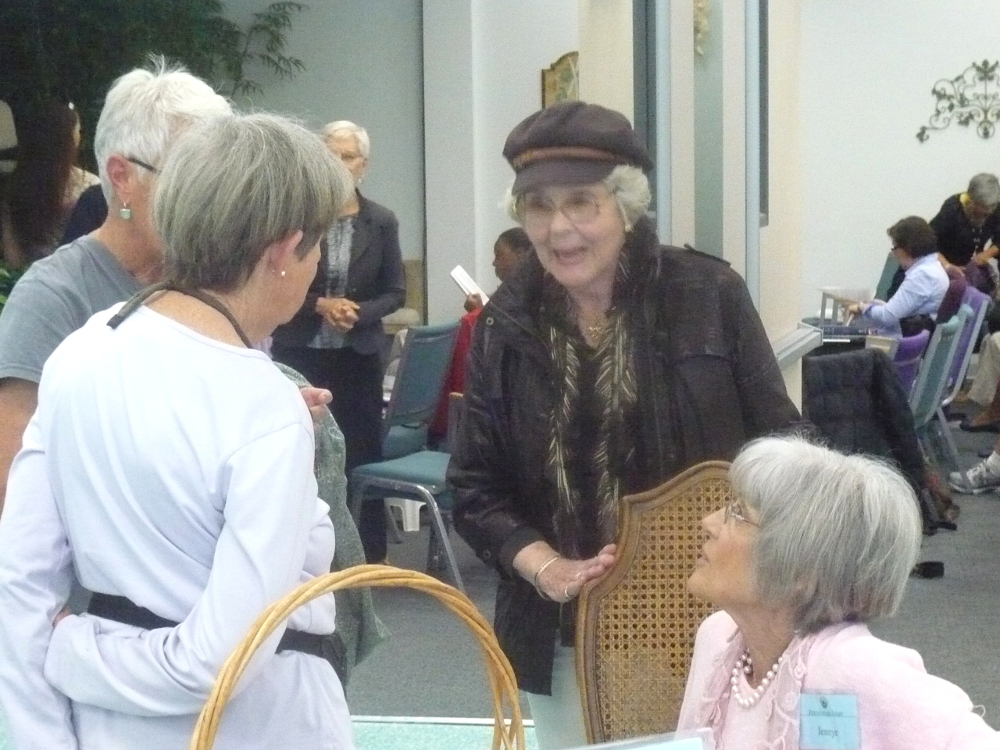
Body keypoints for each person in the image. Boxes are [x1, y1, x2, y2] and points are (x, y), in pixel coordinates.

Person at [448, 101, 801, 750]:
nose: (559, 229)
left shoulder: (707, 295)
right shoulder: (505, 323)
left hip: (712, 620)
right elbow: (474, 487)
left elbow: (783, 452)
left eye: (581, 203)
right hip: (561, 631)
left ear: (626, 206)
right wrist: (545, 566)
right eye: (538, 206)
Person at [0, 112, 357, 749]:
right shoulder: (263, 406)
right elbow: (218, 666)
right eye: (320, 242)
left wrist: (46, 730)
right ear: (283, 249)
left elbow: (21, 584)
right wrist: (73, 652)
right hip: (257, 728)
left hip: (104, 729)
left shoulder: (83, 351)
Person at [0, 60, 233, 516]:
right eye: (192, 179)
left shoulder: (210, 280)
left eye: (220, 181)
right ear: (123, 177)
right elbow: (12, 480)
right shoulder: (54, 297)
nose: (213, 201)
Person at [677, 435, 999, 749]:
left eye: (738, 515)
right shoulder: (718, 636)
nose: (709, 522)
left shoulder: (853, 667)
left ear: (801, 569)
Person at [271, 119, 405, 564]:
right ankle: (305, 556)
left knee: (360, 450)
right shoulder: (298, 218)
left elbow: (396, 292)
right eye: (330, 154)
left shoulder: (380, 221)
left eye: (347, 156)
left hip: (357, 354)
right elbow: (278, 279)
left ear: (363, 165)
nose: (338, 163)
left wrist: (356, 311)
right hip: (301, 351)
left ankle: (368, 556)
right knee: (302, 453)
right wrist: (322, 305)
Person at [427, 226, 533, 439]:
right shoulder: (511, 293)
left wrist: (479, 314)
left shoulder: (526, 298)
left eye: (499, 256)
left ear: (521, 255)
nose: (494, 263)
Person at [0, 98, 100, 311]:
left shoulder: (14, 187)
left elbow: (12, 258)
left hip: (22, 289)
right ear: (70, 140)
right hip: (74, 291)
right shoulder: (91, 188)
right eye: (78, 132)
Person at [845, 216, 948, 337]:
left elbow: (888, 316)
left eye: (895, 247)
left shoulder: (922, 276)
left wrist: (861, 308)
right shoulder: (933, 268)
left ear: (907, 247)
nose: (894, 253)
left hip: (901, 342)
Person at [931, 172, 1000, 294]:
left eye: (993, 207)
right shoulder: (952, 209)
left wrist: (986, 254)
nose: (989, 212)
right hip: (945, 265)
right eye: (984, 208)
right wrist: (947, 266)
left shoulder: (995, 208)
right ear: (972, 201)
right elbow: (928, 245)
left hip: (973, 267)